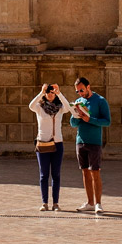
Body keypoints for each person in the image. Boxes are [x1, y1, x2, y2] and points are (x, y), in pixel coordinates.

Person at [70, 77, 110, 214]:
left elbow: (107, 121)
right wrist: (76, 116)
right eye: (77, 91)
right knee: (85, 172)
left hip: (94, 142)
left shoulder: (100, 101)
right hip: (80, 141)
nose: (80, 93)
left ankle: (98, 203)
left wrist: (90, 119)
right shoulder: (78, 102)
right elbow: (73, 124)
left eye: (81, 90)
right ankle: (90, 202)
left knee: (95, 172)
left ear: (88, 87)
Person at [29, 83, 72, 211]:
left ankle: (56, 203)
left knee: (56, 174)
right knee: (44, 175)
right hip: (43, 143)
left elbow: (68, 107)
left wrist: (59, 93)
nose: (50, 94)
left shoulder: (59, 108)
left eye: (52, 92)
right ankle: (44, 202)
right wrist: (41, 92)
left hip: (57, 143)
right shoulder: (40, 107)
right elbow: (30, 105)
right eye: (48, 92)